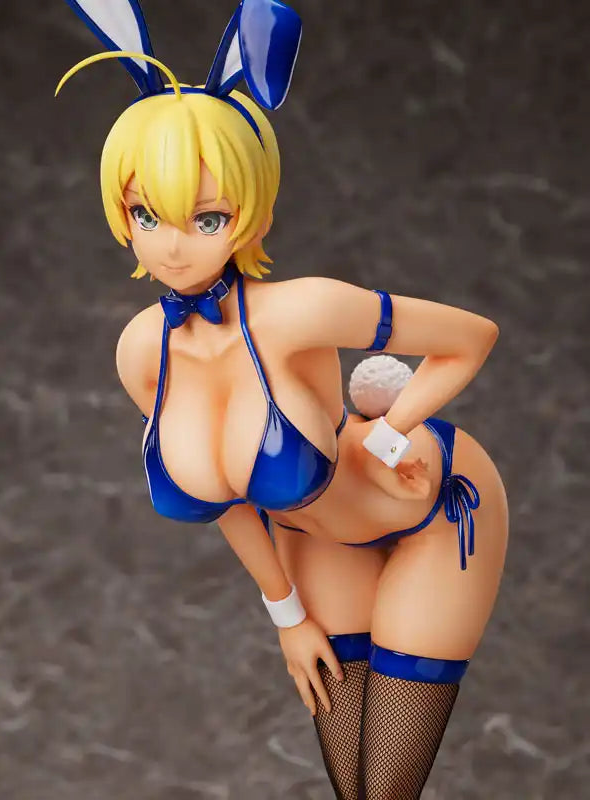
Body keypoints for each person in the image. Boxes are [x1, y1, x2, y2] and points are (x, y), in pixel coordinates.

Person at [56, 2, 509, 798]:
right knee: (353, 788)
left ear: (252, 213)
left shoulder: (301, 311)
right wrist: (287, 617)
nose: (171, 244)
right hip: (314, 543)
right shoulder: (140, 352)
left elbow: (470, 337)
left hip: (432, 510)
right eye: (145, 213)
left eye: (206, 218)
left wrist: (393, 434)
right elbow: (227, 500)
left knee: (386, 791)